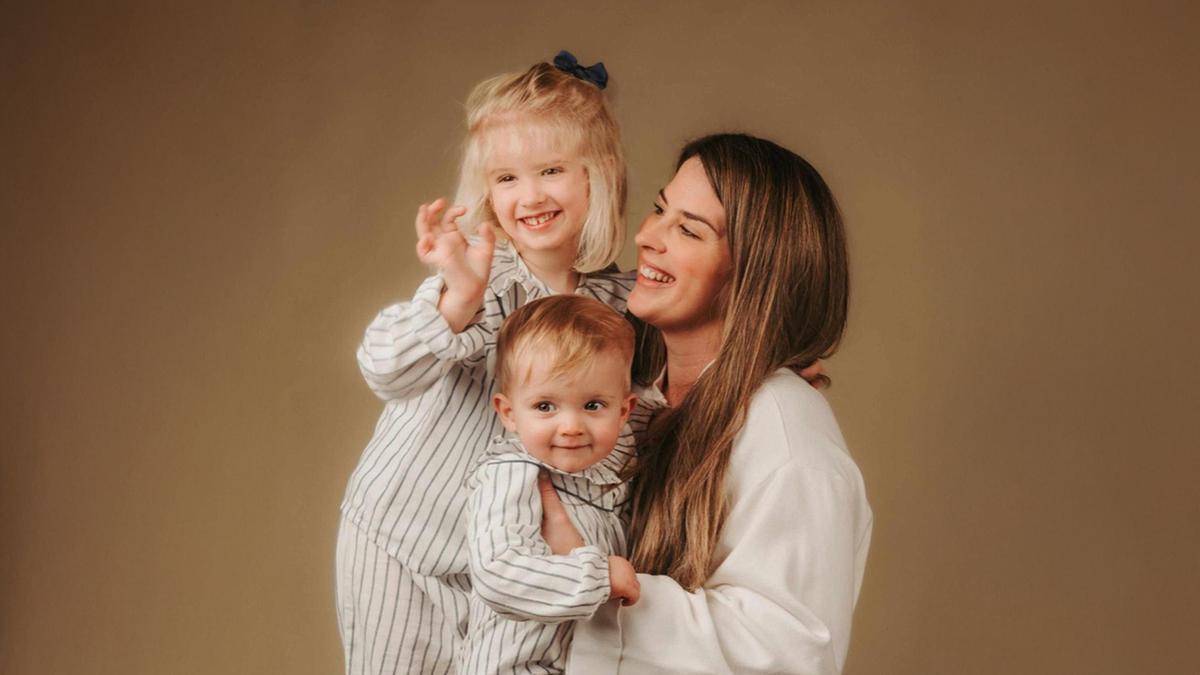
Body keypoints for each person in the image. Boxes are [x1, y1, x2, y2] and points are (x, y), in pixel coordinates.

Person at [335, 52, 632, 674]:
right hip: (402, 540)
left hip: (503, 559)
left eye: (551, 170)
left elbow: (661, 386)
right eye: (507, 178)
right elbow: (385, 369)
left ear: (597, 174)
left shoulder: (616, 305)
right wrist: (456, 304)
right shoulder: (483, 279)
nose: (530, 196)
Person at [539, 133, 874, 674]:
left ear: (754, 274)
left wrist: (586, 583)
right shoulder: (629, 396)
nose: (647, 237)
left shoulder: (787, 431)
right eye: (658, 210)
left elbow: (785, 651)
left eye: (688, 230)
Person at [462, 294, 652, 674]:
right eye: (545, 406)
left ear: (624, 411)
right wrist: (599, 577)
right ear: (509, 413)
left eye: (593, 405)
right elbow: (499, 571)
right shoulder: (512, 473)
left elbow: (661, 416)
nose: (571, 427)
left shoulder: (610, 464)